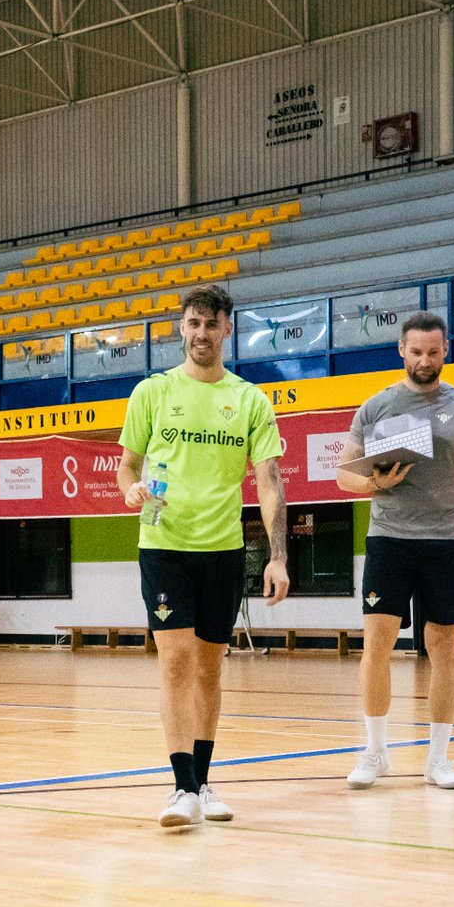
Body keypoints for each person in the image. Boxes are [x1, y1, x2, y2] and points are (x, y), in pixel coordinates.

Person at [117, 284, 289, 829]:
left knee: (211, 671)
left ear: (227, 330)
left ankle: (205, 781)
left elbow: (270, 482)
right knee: (174, 664)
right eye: (193, 323)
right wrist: (130, 491)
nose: (201, 334)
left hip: (222, 550)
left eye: (211, 325)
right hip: (164, 545)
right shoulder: (153, 392)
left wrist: (277, 557)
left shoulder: (251, 400)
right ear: (181, 327)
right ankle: (181, 788)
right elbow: (127, 468)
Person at [336, 311, 454, 791]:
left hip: (445, 543)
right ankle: (375, 752)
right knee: (377, 646)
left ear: (446, 350)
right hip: (389, 539)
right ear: (401, 351)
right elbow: (343, 473)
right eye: (416, 352)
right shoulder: (376, 407)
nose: (424, 360)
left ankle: (439, 759)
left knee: (444, 649)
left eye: (433, 352)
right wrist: (375, 480)